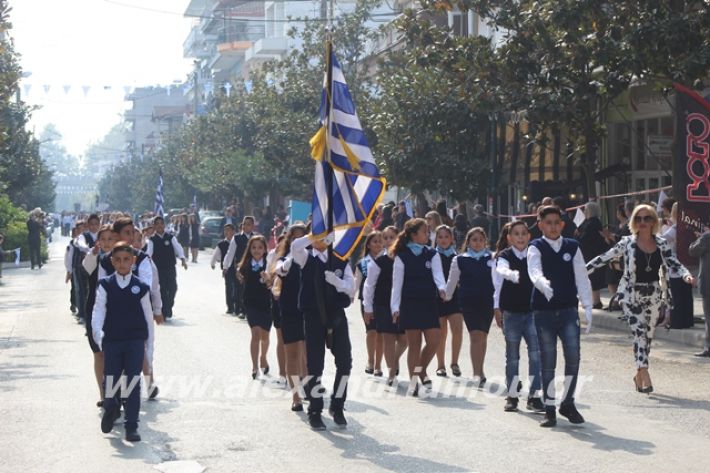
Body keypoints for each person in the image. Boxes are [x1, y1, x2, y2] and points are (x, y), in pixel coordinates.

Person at [587, 204, 695, 393]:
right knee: (639, 333)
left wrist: (686, 275)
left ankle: (638, 374)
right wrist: (579, 271)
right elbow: (604, 258)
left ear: (654, 221)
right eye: (639, 219)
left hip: (653, 294)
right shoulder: (627, 242)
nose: (643, 222)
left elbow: (674, 263)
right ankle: (645, 373)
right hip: (631, 294)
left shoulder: (661, 243)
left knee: (648, 336)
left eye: (647, 218)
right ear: (633, 222)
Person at [528, 205, 593, 428]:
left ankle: (568, 402)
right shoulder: (535, 246)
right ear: (541, 225)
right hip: (543, 311)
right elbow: (533, 270)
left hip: (567, 310)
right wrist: (542, 283)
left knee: (573, 356)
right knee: (548, 361)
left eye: (557, 222)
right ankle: (549, 408)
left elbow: (582, 277)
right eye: (548, 223)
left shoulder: (572, 246)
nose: (553, 226)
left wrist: (587, 304)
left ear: (562, 224)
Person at [291, 232, 354, 430]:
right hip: (313, 316)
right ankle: (315, 410)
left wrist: (338, 283)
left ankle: (338, 405)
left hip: (336, 315)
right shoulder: (306, 257)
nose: (322, 240)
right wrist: (312, 235)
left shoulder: (340, 259)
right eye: (319, 235)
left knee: (345, 363)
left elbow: (351, 289)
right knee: (315, 365)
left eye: (325, 235)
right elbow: (295, 247)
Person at [92, 242, 153, 442]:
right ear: (112, 262)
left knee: (132, 382)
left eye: (126, 259)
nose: (122, 263)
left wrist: (149, 349)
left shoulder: (141, 287)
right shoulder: (106, 285)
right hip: (113, 340)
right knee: (111, 379)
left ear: (133, 261)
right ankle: (111, 406)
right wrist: (98, 334)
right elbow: (99, 310)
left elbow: (148, 317)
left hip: (135, 340)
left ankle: (131, 426)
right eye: (117, 260)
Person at [391, 218, 445, 396]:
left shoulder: (432, 253)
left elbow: (438, 273)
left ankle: (421, 370)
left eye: (428, 231)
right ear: (413, 235)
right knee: (414, 344)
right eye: (424, 232)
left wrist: (442, 288)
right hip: (410, 303)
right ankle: (414, 383)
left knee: (434, 340)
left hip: (428, 302)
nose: (428, 235)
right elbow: (396, 284)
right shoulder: (402, 255)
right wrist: (395, 307)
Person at [493, 221, 544, 413]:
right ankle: (512, 395)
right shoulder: (503, 256)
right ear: (509, 238)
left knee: (536, 354)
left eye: (524, 233)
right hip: (512, 313)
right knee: (512, 356)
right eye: (516, 234)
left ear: (529, 236)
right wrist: (496, 308)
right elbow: (498, 281)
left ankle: (534, 396)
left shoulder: (535, 255)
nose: (520, 237)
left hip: (533, 312)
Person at [444, 227, 495, 385]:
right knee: (475, 335)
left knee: (483, 336)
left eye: (481, 240)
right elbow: (452, 282)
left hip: (488, 301)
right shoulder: (460, 259)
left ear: (485, 241)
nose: (478, 243)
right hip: (468, 302)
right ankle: (477, 373)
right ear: (468, 242)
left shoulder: (493, 258)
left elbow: (498, 281)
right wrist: (447, 296)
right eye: (474, 240)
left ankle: (481, 368)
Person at [363, 226, 407, 386]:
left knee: (404, 339)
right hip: (382, 304)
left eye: (391, 237)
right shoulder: (378, 262)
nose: (388, 241)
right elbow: (369, 285)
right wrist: (367, 307)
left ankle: (394, 360)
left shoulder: (405, 258)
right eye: (385, 238)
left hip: (403, 304)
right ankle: (391, 372)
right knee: (388, 338)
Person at [274, 224, 309, 411]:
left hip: (308, 310)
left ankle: (308, 385)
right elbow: (280, 270)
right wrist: (290, 257)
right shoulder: (283, 259)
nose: (299, 242)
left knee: (308, 353)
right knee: (293, 353)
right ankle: (296, 396)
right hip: (289, 310)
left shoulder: (311, 258)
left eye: (303, 238)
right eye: (295, 239)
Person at [237, 235, 273, 379]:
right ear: (249, 249)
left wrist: (268, 279)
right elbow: (239, 274)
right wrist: (239, 274)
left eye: (260, 247)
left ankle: (263, 356)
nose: (256, 250)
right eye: (253, 248)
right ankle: (254, 367)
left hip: (266, 303)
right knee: (255, 334)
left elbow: (274, 285)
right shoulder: (245, 265)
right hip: (250, 302)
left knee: (265, 336)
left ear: (265, 249)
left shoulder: (270, 264)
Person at [433, 225, 463, 378]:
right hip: (437, 298)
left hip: (455, 298)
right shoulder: (432, 256)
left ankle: (454, 363)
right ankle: (440, 365)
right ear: (436, 239)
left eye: (446, 236)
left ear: (452, 238)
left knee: (457, 329)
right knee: (440, 332)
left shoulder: (457, 257)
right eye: (440, 237)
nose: (443, 240)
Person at [145, 216, 188, 320]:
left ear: (164, 225)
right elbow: (149, 253)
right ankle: (165, 311)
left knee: (173, 288)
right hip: (158, 269)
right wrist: (145, 262)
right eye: (157, 224)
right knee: (162, 290)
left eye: (161, 223)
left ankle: (169, 306)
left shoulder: (170, 237)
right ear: (154, 226)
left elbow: (178, 248)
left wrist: (182, 258)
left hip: (170, 267)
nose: (159, 226)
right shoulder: (152, 240)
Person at [355, 232, 385, 376]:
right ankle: (370, 361)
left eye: (380, 241)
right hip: (366, 301)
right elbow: (356, 284)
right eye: (375, 241)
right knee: (371, 331)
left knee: (381, 333)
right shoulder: (362, 263)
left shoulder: (388, 260)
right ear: (368, 244)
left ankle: (379, 365)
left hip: (383, 300)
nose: (378, 244)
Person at [661, 202, 694, 329]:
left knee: (676, 294)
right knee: (686, 293)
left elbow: (662, 240)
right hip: (686, 263)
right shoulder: (687, 227)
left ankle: (678, 321)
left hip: (675, 263)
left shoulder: (675, 229)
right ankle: (687, 320)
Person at [575, 201, 608, 309]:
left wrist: (577, 236)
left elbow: (584, 239)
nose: (584, 211)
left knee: (592, 277)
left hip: (591, 254)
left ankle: (596, 301)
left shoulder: (591, 223)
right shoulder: (592, 222)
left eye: (585, 209)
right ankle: (593, 301)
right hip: (592, 253)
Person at [223, 216, 256, 319]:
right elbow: (230, 253)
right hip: (240, 268)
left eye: (248, 224)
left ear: (252, 226)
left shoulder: (256, 238)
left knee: (251, 289)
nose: (246, 226)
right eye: (244, 224)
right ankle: (242, 310)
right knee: (240, 289)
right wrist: (226, 266)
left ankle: (250, 309)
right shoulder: (236, 238)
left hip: (253, 267)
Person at [689, 227, 710, 357]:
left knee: (708, 317)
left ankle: (708, 347)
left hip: (708, 283)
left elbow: (692, 251)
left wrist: (700, 238)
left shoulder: (707, 237)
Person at [211, 224, 237, 314]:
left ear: (233, 231)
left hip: (237, 268)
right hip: (227, 269)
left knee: (237, 287)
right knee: (229, 287)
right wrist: (213, 263)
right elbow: (215, 254)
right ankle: (230, 307)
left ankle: (237, 305)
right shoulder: (222, 244)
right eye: (225, 230)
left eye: (229, 230)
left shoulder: (237, 241)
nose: (226, 232)